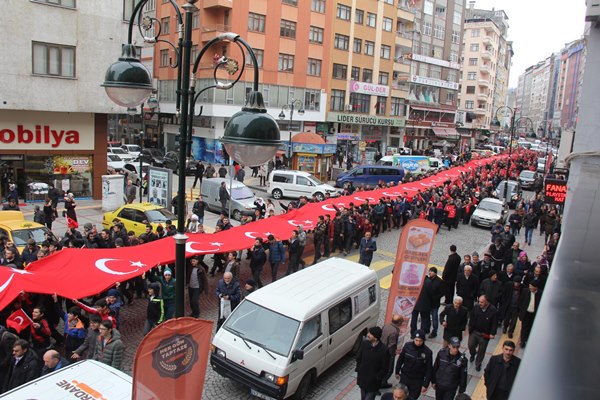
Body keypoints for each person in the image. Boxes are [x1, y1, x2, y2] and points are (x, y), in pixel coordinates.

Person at [395, 330, 433, 399]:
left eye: (420, 341)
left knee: (413, 397)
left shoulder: (428, 352)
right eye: (416, 340)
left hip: (417, 380)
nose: (418, 343)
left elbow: (429, 369)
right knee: (400, 396)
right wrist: (397, 371)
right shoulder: (407, 346)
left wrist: (425, 384)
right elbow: (400, 359)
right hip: (405, 377)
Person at [355, 326, 388, 400]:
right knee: (363, 398)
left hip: (373, 383)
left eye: (370, 334)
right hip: (363, 379)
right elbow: (359, 357)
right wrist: (359, 369)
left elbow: (385, 368)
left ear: (376, 337)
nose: (368, 335)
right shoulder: (365, 344)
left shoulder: (384, 350)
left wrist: (377, 377)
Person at [468, 295, 498, 371]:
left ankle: (478, 363)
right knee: (470, 345)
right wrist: (470, 327)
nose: (479, 303)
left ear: (487, 302)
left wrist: (492, 333)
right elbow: (472, 317)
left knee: (481, 350)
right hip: (474, 332)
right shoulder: (476, 307)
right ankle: (473, 354)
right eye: (479, 301)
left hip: (485, 335)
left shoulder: (493, 310)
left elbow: (495, 323)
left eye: (482, 302)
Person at [380, 315, 403, 388]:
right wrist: (393, 355)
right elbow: (391, 345)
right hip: (388, 353)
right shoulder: (394, 331)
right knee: (389, 370)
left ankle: (382, 382)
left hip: (381, 349)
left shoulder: (386, 326)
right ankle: (381, 383)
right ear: (399, 322)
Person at [518, 280, 542, 348]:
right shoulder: (525, 291)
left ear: (536, 287)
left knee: (531, 327)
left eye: (531, 286)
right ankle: (522, 341)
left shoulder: (540, 294)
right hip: (526, 313)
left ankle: (527, 339)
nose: (530, 287)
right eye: (529, 286)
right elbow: (521, 301)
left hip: (534, 314)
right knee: (524, 327)